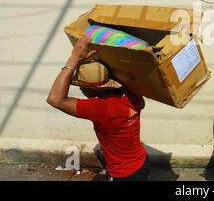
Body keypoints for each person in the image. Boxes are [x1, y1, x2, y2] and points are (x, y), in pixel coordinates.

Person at [47, 37, 149, 181]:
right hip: (141, 161)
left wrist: (73, 59)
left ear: (94, 89)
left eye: (83, 86)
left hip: (124, 174)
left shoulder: (99, 108)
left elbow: (55, 98)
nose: (81, 89)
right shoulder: (131, 96)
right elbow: (142, 105)